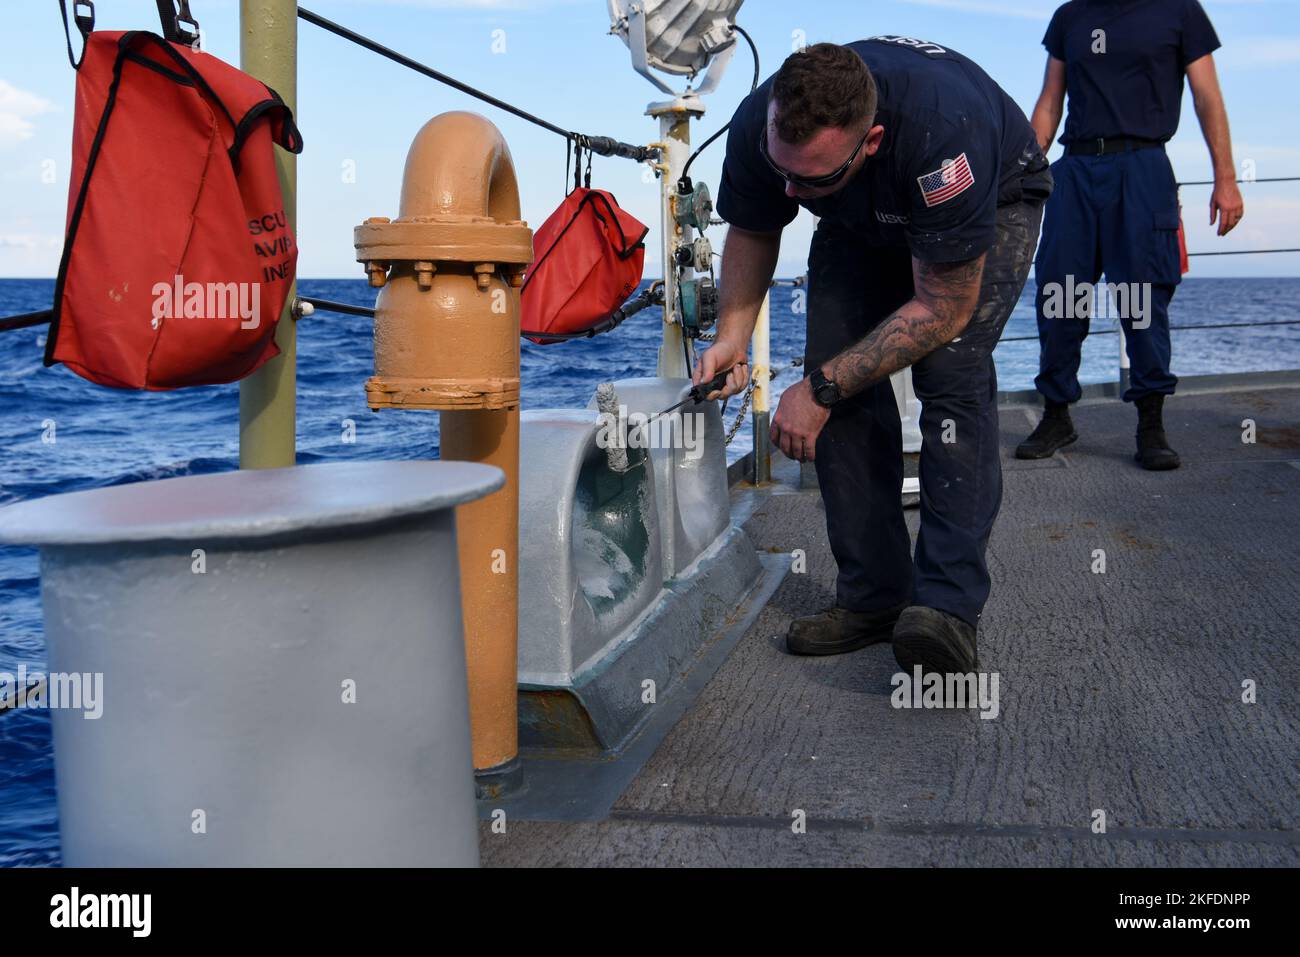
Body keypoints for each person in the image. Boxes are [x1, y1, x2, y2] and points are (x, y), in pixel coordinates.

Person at [696, 38, 1052, 676]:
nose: (790, 191)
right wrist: (731, 335)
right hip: (860, 213)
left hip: (990, 196)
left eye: (809, 179)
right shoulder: (765, 124)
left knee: (952, 375)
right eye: (783, 172)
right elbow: (754, 225)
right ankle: (874, 598)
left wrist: (819, 390)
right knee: (836, 371)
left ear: (871, 139)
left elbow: (942, 308)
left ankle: (945, 609)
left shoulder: (947, 138)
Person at [1016, 0, 1244, 468]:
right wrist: (1026, 170)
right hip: (1075, 169)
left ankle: (1150, 424)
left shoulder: (1180, 12)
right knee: (1061, 296)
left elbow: (1207, 97)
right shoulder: (1070, 16)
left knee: (1143, 300)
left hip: (1142, 166)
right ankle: (1057, 415)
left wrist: (1226, 177)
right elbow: (1049, 101)